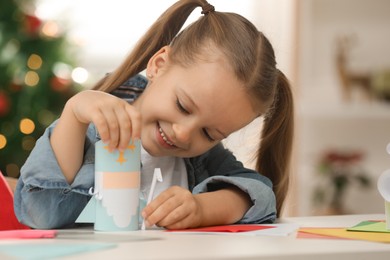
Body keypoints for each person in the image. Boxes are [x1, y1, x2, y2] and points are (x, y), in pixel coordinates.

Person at [14, 0, 294, 230]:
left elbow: (260, 195)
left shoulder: (202, 158)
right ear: (159, 65)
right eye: (183, 106)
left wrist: (201, 208)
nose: (184, 133)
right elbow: (41, 213)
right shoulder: (94, 126)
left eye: (209, 133)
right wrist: (74, 115)